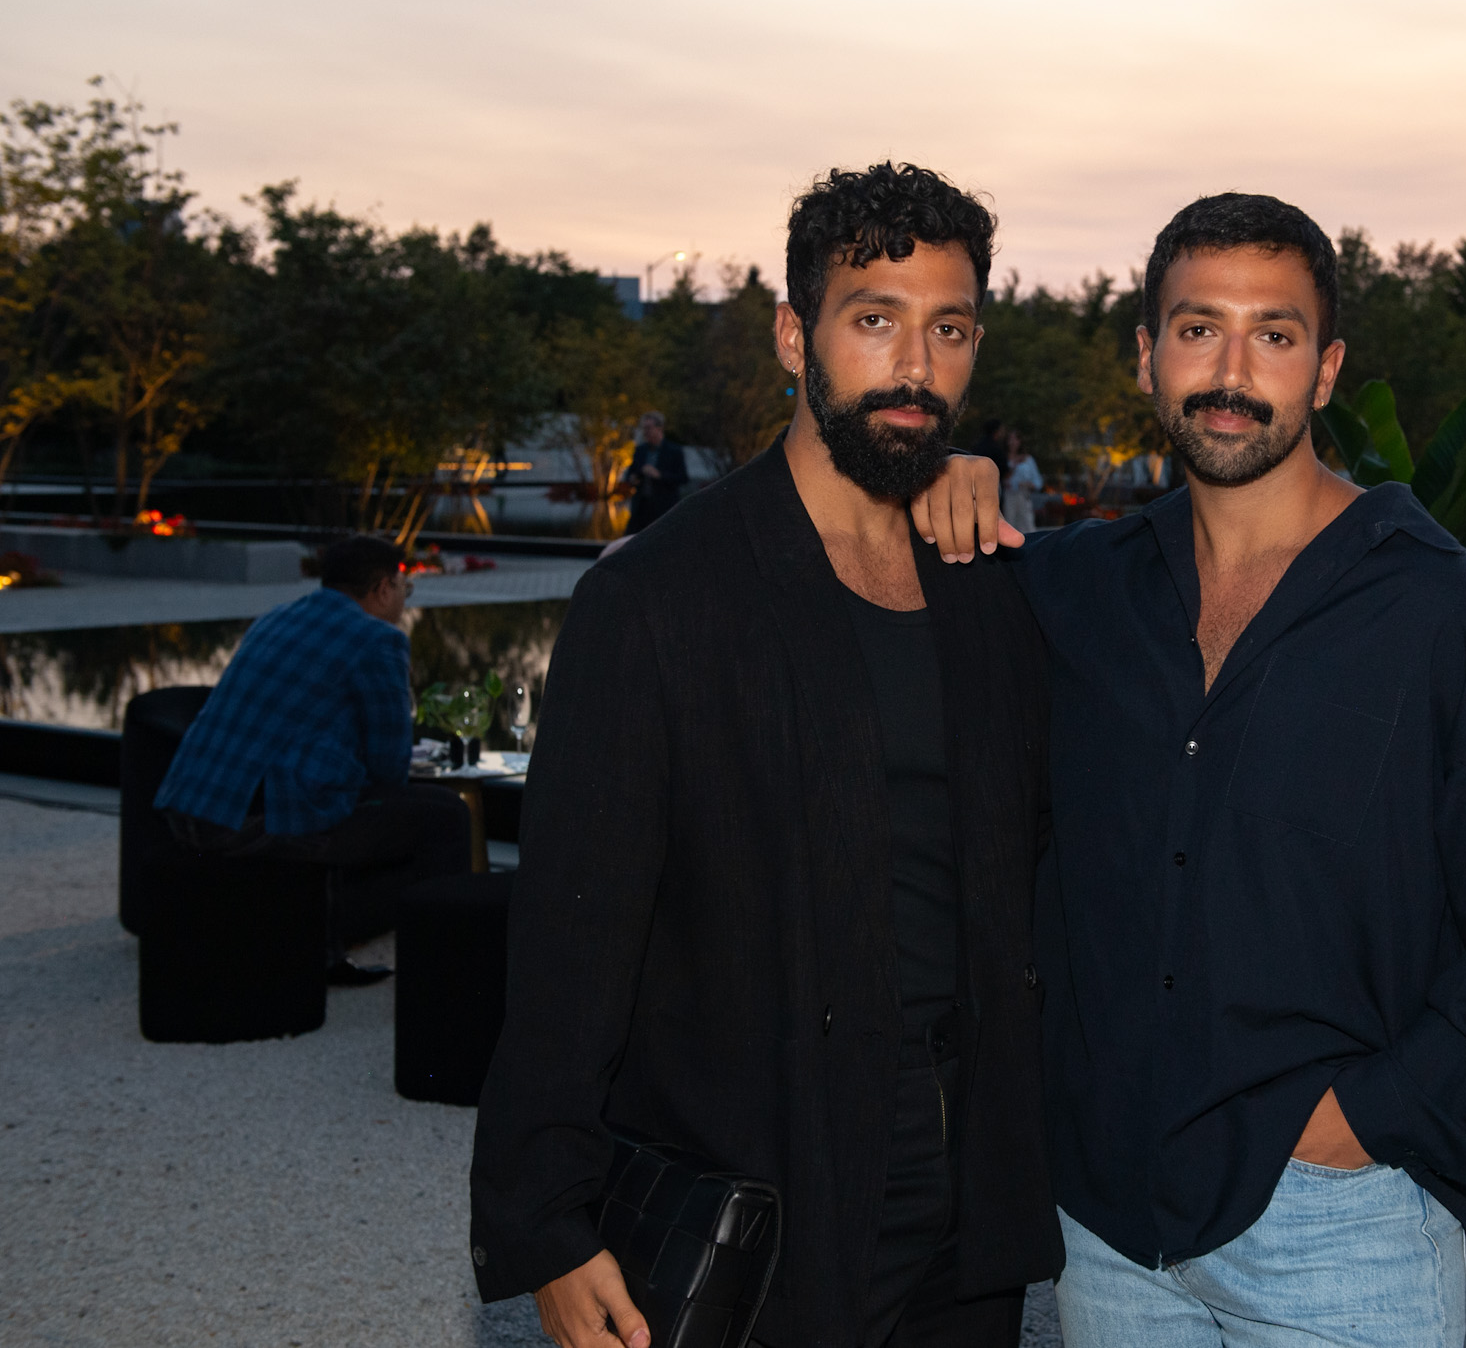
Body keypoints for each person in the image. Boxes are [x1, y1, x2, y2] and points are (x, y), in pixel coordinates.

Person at [912, 194, 1466, 1347]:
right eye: (1198, 329)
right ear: (1146, 355)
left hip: (1338, 1228)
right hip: (1109, 1226)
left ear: (1324, 369)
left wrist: (1368, 1120)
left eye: (1272, 335)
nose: (1231, 372)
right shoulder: (1072, 590)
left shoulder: (1450, 619)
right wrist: (946, 472)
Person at [469, 162, 1061, 1348]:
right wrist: (546, 1220)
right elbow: (571, 933)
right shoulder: (657, 599)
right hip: (762, 1177)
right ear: (795, 337)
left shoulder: (988, 588)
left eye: (947, 329)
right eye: (873, 320)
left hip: (971, 1182)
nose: (914, 365)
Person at [155, 534, 472, 985]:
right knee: (446, 816)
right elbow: (389, 765)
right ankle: (446, 965)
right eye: (405, 588)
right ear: (383, 588)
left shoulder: (275, 618)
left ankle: (313, 939)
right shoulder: (377, 639)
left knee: (340, 799)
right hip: (255, 822)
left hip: (190, 805)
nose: (405, 600)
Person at [623, 410, 688, 533]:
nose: (645, 431)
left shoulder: (674, 451)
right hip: (641, 509)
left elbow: (683, 478)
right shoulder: (640, 450)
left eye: (648, 428)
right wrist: (633, 478)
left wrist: (659, 475)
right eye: (644, 428)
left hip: (664, 510)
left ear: (660, 428)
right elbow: (630, 474)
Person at [1000, 429, 1041, 534]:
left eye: (1015, 439)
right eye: (1010, 439)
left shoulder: (1027, 459)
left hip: (1024, 496)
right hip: (1009, 496)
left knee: (1027, 525)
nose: (1012, 442)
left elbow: (1037, 481)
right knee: (1010, 524)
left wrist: (1029, 485)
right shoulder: (1003, 458)